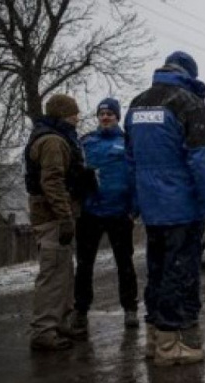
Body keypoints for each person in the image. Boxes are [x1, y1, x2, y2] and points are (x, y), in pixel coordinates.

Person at [125, 51, 205, 366]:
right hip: (181, 207)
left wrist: (135, 203)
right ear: (190, 75)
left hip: (152, 209)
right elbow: (203, 162)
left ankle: (154, 339)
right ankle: (170, 345)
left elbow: (131, 161)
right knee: (177, 273)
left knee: (156, 270)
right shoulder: (189, 104)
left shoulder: (137, 104)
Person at [24, 94, 94, 350]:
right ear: (64, 114)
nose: (77, 117)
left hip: (56, 216)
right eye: (74, 113)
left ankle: (59, 322)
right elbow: (52, 182)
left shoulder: (57, 137)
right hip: (52, 218)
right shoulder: (53, 141)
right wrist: (64, 217)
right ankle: (44, 330)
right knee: (53, 274)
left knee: (63, 272)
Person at [72, 98, 139, 332]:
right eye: (102, 113)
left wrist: (134, 208)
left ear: (117, 116)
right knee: (84, 264)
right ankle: (80, 311)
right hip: (90, 212)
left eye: (110, 113)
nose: (106, 117)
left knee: (125, 263)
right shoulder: (86, 142)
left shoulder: (127, 142)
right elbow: (74, 172)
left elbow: (136, 176)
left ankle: (130, 309)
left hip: (119, 212)